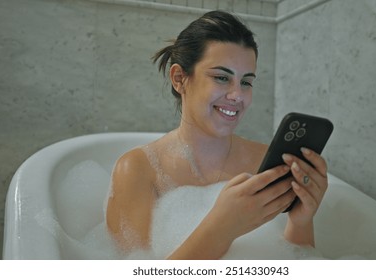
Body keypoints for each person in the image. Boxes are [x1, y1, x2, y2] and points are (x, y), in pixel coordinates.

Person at [106, 10, 328, 259]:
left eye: (246, 82)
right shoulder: (138, 169)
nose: (238, 96)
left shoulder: (266, 162)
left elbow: (296, 261)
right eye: (222, 78)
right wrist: (222, 228)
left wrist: (300, 222)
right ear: (179, 79)